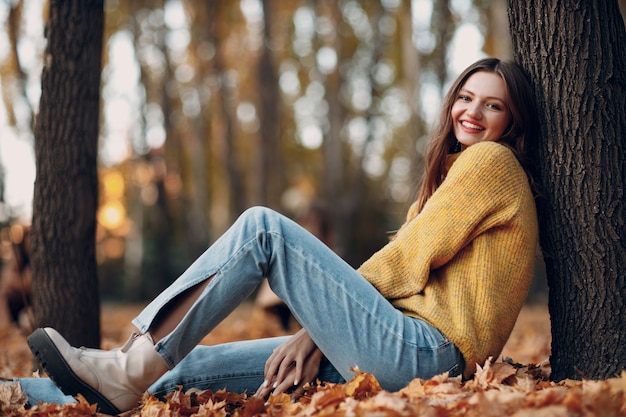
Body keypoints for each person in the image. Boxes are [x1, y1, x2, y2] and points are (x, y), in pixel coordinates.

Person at [18, 57, 539, 415]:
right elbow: (410, 273)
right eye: (466, 97)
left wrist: (313, 328)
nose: (472, 111)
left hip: (426, 352)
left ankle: (127, 363)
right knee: (190, 369)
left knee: (262, 229)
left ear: (512, 120)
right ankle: (24, 394)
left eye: (492, 105)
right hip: (396, 345)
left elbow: (407, 258)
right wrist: (323, 330)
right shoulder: (452, 176)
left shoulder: (491, 163)